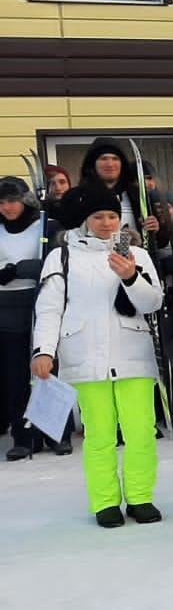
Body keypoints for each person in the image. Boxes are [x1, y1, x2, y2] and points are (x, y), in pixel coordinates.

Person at [32, 184, 166, 527]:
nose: (107, 223)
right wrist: (44, 350)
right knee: (99, 433)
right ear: (85, 220)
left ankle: (140, 496)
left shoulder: (135, 253)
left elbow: (152, 302)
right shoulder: (61, 256)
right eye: (98, 216)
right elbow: (49, 309)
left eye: (112, 216)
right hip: (83, 356)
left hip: (132, 354)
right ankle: (105, 501)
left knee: (140, 431)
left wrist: (131, 276)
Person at [0, 176, 53, 459]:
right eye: (2, 202)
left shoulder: (43, 226)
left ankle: (53, 431)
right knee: (15, 375)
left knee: (45, 370)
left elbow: (56, 259)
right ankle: (23, 435)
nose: (8, 207)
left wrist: (31, 268)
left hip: (39, 302)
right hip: (6, 306)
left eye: (13, 201)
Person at [77, 139, 169, 249]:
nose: (110, 164)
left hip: (136, 261)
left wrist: (156, 230)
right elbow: (69, 237)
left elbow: (160, 243)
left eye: (115, 158)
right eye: (103, 158)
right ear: (93, 163)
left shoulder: (137, 196)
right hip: (90, 261)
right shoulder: (78, 197)